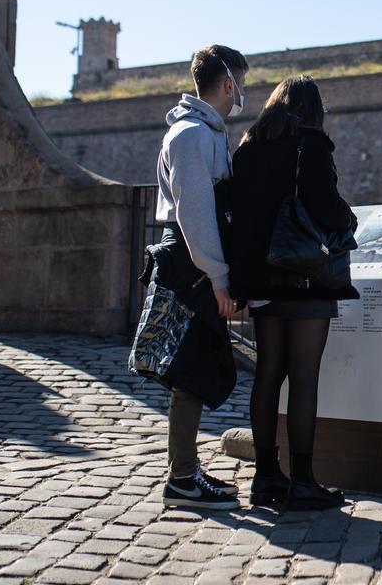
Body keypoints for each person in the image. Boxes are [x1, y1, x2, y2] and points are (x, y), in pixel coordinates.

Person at [230, 75, 359, 510]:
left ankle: (265, 475)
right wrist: (348, 218)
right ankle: (303, 479)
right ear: (314, 109)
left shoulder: (247, 146)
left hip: (262, 280)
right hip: (304, 277)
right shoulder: (311, 145)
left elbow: (238, 212)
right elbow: (326, 208)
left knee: (268, 374)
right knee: (303, 377)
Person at [156, 44, 249, 510]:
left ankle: (185, 471)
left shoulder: (200, 132)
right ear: (228, 82)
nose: (242, 94)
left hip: (195, 260)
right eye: (241, 83)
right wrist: (218, 276)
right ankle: (182, 479)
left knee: (193, 368)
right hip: (193, 263)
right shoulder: (192, 136)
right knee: (190, 370)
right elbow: (196, 215)